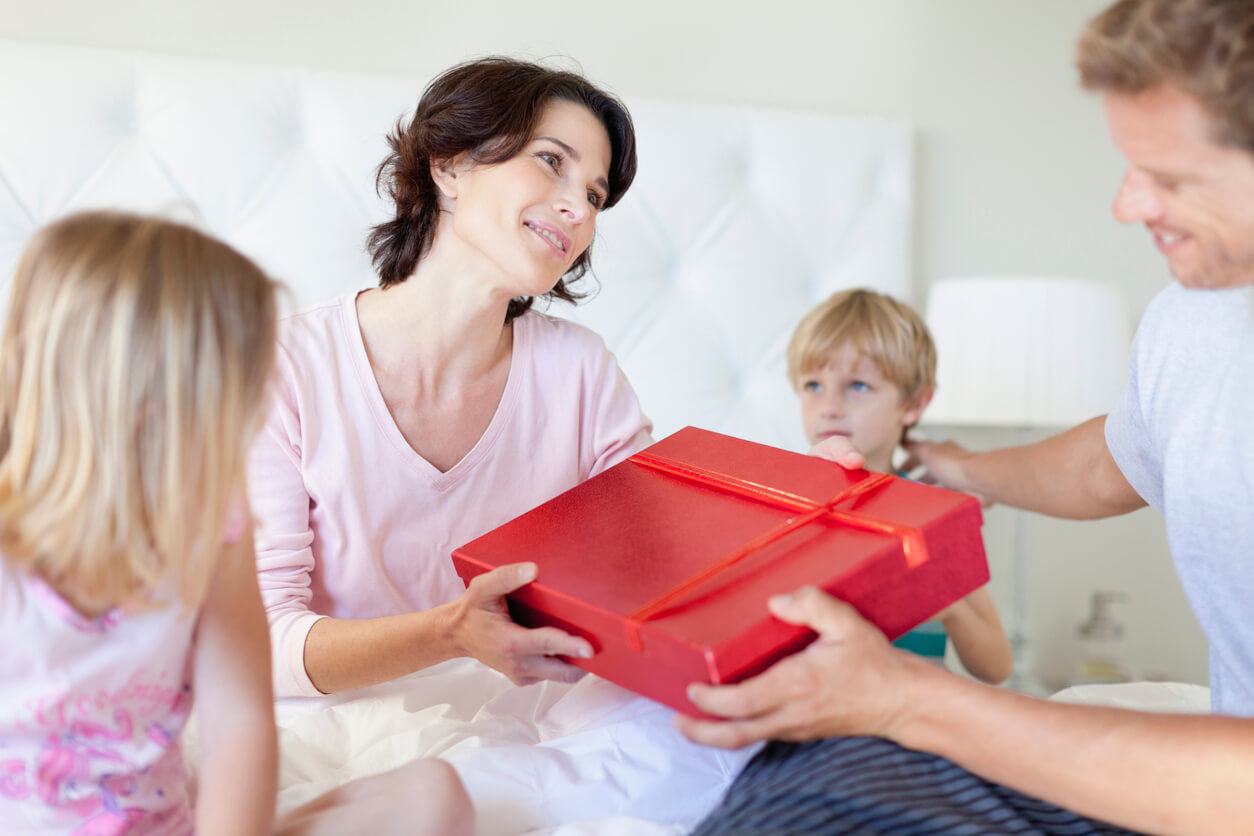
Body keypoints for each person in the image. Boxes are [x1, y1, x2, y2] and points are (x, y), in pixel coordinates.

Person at [677, 0, 1254, 833]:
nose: (1129, 207)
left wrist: (907, 699)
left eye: (1170, 178)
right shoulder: (1193, 314)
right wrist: (955, 467)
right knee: (800, 794)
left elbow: (988, 661)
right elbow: (1109, 463)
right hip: (1193, 775)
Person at [0, 211, 472, 835]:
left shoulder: (208, 524)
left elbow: (239, 727)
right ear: (144, 401)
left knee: (432, 797)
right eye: (232, 392)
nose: (251, 419)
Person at [248, 57, 653, 698]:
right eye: (552, 161)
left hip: (530, 723)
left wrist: (811, 511)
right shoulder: (285, 367)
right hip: (341, 720)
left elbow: (659, 569)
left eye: (596, 196)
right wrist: (449, 634)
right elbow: (256, 643)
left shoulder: (583, 373)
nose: (579, 207)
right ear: (450, 165)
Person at [787, 288, 1012, 685]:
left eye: (857, 385)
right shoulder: (781, 500)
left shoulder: (936, 512)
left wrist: (951, 605)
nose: (830, 406)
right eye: (813, 386)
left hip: (911, 711)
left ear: (913, 403)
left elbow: (996, 666)